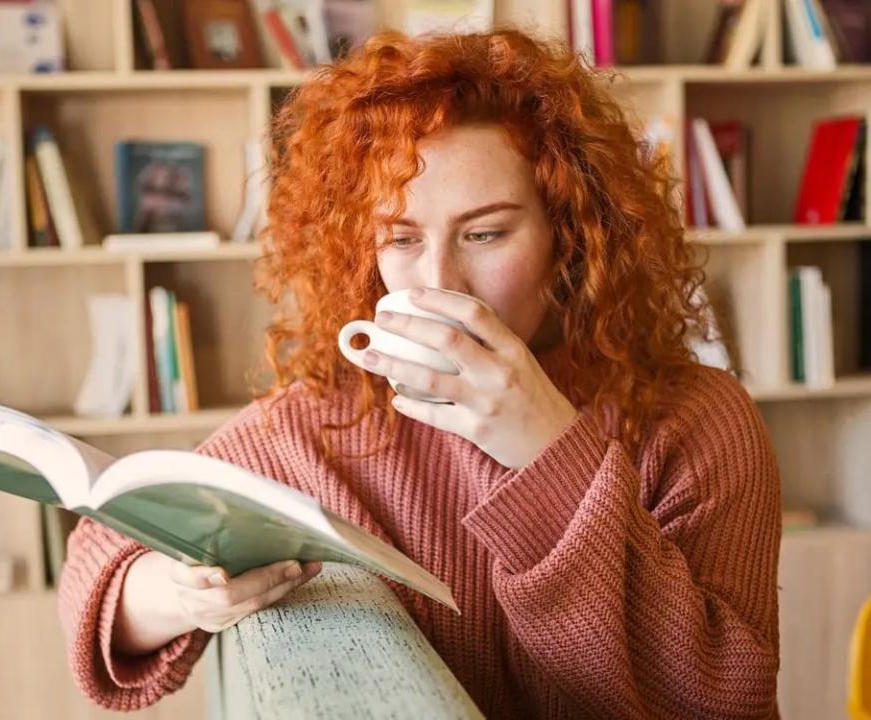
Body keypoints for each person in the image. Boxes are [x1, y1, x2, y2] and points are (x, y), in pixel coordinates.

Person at [57, 28, 781, 719]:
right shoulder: (328, 422)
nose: (439, 284)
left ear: (570, 234)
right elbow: (104, 562)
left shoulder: (693, 418)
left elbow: (721, 698)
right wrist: (180, 596)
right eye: (401, 239)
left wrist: (550, 452)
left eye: (486, 233)